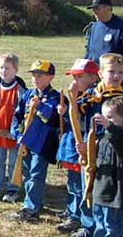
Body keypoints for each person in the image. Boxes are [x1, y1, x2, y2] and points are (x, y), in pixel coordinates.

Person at [70, 53, 123, 237]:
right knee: (90, 187)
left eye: (120, 72)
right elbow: (78, 115)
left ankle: (108, 230)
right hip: (92, 149)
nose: (116, 76)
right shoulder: (92, 95)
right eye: (111, 72)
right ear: (100, 73)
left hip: (114, 152)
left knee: (109, 192)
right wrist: (72, 101)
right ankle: (89, 226)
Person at [9, 60, 61, 223]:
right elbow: (17, 117)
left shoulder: (56, 97)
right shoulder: (28, 94)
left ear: (50, 77)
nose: (36, 79)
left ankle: (31, 209)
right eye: (33, 75)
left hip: (42, 144)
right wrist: (16, 134)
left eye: (40, 75)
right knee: (27, 174)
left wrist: (39, 106)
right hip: (25, 142)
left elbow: (54, 119)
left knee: (36, 175)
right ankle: (32, 202)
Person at [55, 59, 99, 235]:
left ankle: (91, 225)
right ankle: (78, 218)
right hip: (79, 147)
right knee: (77, 184)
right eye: (74, 76)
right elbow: (73, 121)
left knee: (89, 188)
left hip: (93, 148)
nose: (75, 81)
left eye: (79, 76)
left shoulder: (94, 97)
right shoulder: (80, 95)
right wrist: (68, 109)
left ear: (93, 77)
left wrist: (73, 103)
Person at [0, 53, 27, 202]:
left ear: (15, 70)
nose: (3, 71)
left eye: (7, 68)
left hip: (13, 133)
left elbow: (24, 113)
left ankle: (13, 189)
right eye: (1, 67)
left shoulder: (20, 88)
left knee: (14, 163)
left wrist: (16, 131)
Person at [87, 97, 123, 237]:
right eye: (104, 117)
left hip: (116, 196)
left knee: (112, 228)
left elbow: (117, 137)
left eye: (110, 117)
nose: (105, 121)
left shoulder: (118, 136)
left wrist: (109, 126)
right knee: (100, 225)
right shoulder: (103, 137)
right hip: (101, 191)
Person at [84, 0, 123, 64]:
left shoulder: (120, 26)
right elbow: (89, 50)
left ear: (108, 8)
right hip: (93, 71)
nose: (94, 11)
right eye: (93, 9)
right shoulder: (94, 26)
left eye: (97, 8)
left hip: (112, 71)